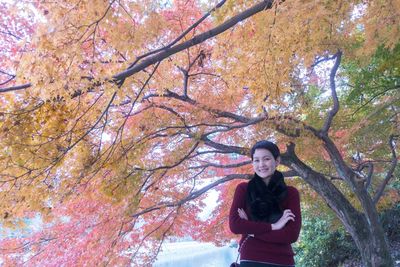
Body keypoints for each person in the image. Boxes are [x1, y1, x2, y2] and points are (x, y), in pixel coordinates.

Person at [229, 140, 302, 267]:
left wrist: (251, 230)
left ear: (277, 161)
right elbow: (235, 225)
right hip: (252, 259)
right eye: (256, 160)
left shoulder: (291, 193)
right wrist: (275, 226)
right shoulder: (243, 189)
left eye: (266, 159)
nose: (261, 164)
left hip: (283, 261)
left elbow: (291, 235)